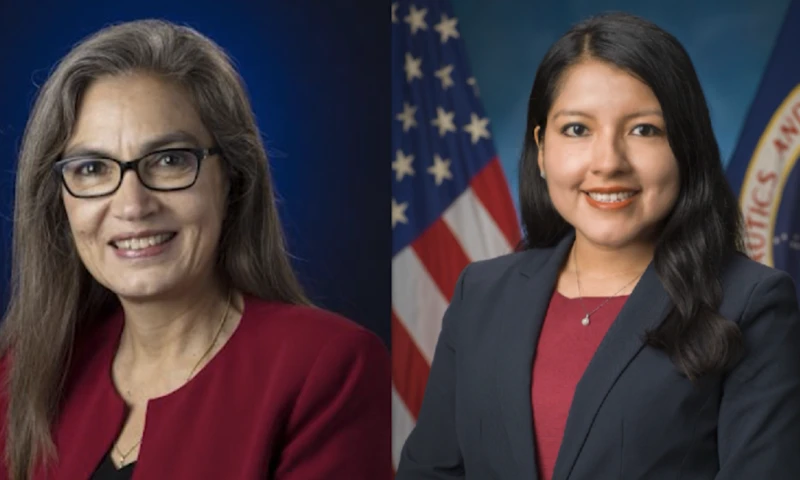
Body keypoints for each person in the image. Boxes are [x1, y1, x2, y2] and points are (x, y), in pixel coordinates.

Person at [396, 12, 800, 480]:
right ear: (542, 149)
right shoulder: (480, 293)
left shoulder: (752, 304)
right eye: (577, 129)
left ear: (686, 147)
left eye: (644, 129)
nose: (608, 162)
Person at [0, 19, 391, 480]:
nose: (132, 205)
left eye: (169, 160)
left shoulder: (327, 368)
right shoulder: (22, 374)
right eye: (92, 168)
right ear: (59, 199)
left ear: (232, 178)